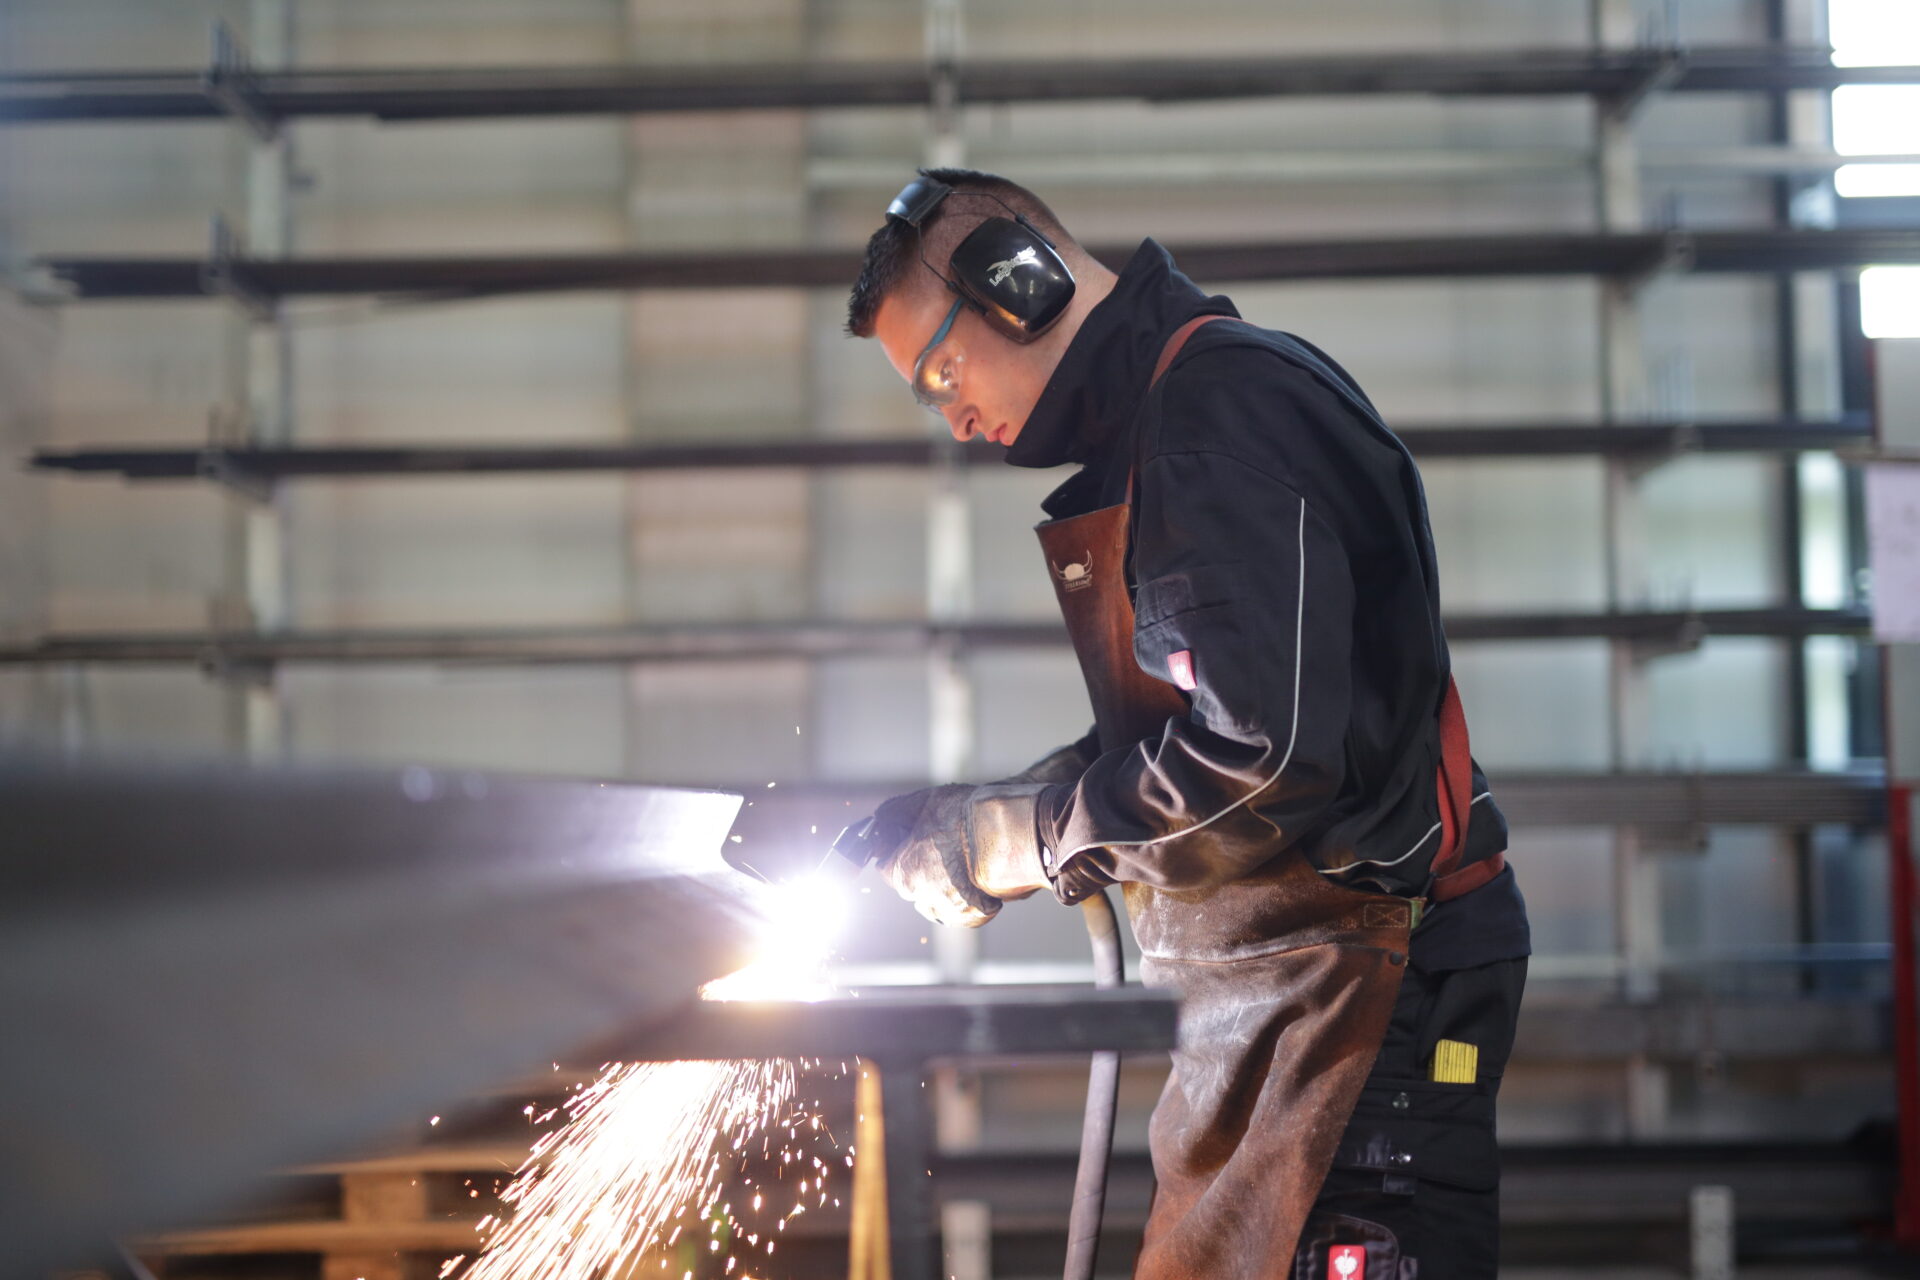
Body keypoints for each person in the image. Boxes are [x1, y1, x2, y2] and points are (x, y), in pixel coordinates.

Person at [846, 168, 1530, 1280]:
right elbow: (1196, 732)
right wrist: (986, 814)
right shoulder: (1170, 432)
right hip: (1276, 1002)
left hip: (1363, 1001)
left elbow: (1262, 762)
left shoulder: (1220, 420)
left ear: (1020, 280)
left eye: (942, 370)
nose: (954, 415)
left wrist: (1022, 839)